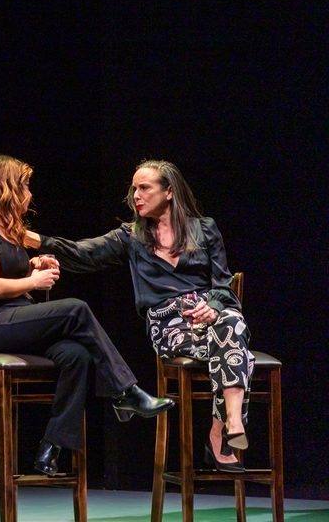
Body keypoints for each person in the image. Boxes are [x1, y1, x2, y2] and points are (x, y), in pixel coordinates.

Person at [26, 160, 254, 473]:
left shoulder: (205, 229)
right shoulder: (131, 236)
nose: (136, 195)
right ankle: (224, 434)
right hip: (169, 326)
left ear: (169, 191)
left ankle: (225, 426)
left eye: (144, 187)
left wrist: (213, 307)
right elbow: (83, 253)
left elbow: (223, 287)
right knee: (237, 345)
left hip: (210, 320)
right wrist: (31, 239)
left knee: (229, 321)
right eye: (134, 188)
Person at [0, 155, 172, 477]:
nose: (29, 193)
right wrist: (34, 282)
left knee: (77, 355)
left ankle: (50, 448)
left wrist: (32, 266)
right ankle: (128, 392)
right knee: (75, 308)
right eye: (24, 185)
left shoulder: (8, 229)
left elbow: (7, 273)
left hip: (15, 317)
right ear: (6, 187)